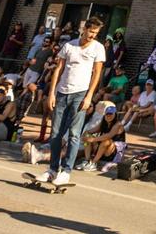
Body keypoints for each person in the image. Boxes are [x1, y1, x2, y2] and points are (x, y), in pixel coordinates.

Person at [35, 16, 106, 187]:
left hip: (80, 94)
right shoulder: (69, 45)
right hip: (62, 92)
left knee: (74, 134)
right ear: (85, 29)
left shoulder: (98, 48)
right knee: (56, 133)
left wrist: (89, 96)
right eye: (91, 31)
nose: (92, 36)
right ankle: (52, 170)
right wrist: (51, 93)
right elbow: (58, 69)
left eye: (96, 33)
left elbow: (97, 74)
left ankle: (66, 171)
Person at [80, 102, 125, 171]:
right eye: (107, 114)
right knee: (88, 136)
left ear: (115, 114)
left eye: (110, 114)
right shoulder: (103, 121)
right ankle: (87, 160)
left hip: (112, 152)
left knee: (106, 141)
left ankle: (93, 163)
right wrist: (85, 134)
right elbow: (93, 130)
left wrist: (93, 139)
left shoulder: (118, 124)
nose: (108, 116)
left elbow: (108, 136)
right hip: (101, 149)